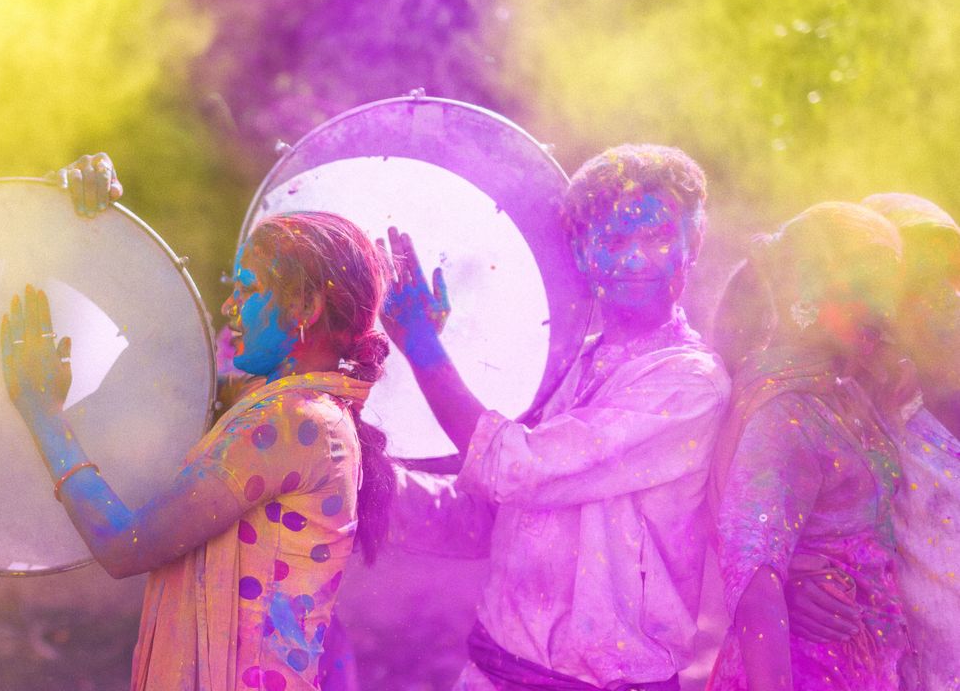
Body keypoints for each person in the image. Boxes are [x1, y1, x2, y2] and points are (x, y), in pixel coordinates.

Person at [0, 176, 394, 690]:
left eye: (247, 290)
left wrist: (42, 413)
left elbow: (124, 546)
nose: (230, 308)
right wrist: (94, 223)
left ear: (304, 308)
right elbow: (165, 363)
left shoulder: (295, 421)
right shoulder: (280, 405)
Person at [384, 144, 730, 690]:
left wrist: (423, 348)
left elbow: (518, 469)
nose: (637, 259)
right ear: (580, 251)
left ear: (696, 242)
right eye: (614, 241)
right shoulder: (568, 364)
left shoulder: (689, 382)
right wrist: (359, 474)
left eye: (659, 237)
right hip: (492, 673)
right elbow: (484, 518)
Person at [706, 202, 915, 691]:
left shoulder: (843, 392)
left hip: (859, 667)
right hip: (805, 671)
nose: (885, 311)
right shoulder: (785, 412)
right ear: (809, 287)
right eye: (868, 288)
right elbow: (754, 578)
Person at [775, 193, 960, 690]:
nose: (944, 300)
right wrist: (793, 572)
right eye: (914, 283)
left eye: (951, 277)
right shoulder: (854, 427)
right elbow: (765, 521)